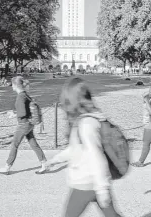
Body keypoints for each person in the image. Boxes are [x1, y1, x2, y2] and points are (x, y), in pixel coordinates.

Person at [45, 77, 122, 217]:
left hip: (86, 183)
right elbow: (76, 149)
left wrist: (102, 188)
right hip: (93, 182)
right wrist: (55, 159)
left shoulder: (86, 124)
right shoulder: (86, 120)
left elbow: (96, 155)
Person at [0, 76, 48, 175]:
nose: (11, 87)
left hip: (23, 124)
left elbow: (22, 112)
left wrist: (13, 114)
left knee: (14, 144)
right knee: (33, 144)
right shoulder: (25, 94)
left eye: (12, 85)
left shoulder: (20, 96)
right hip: (30, 123)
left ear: (15, 85)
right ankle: (44, 164)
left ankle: (7, 167)